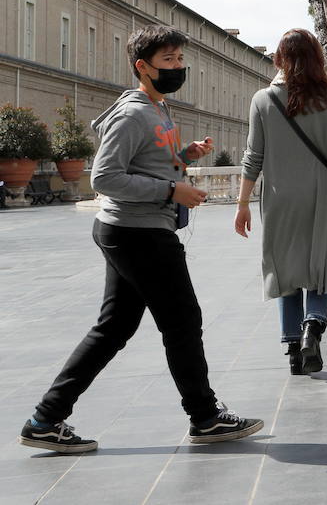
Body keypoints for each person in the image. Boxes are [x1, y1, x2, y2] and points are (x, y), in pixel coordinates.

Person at [20, 25, 262, 454]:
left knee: (114, 329)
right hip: (138, 233)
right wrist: (172, 191)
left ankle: (46, 418)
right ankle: (205, 417)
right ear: (142, 66)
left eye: (180, 60)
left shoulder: (158, 107)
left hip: (135, 230)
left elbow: (145, 163)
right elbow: (105, 177)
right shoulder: (134, 113)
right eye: (168, 61)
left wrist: (184, 158)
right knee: (183, 322)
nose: (177, 68)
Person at [236, 29, 327, 375]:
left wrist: (242, 203)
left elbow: (253, 157)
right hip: (321, 193)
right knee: (320, 264)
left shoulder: (262, 100)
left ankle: (292, 351)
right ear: (317, 58)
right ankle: (312, 329)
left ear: (279, 59)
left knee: (285, 270)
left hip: (279, 196)